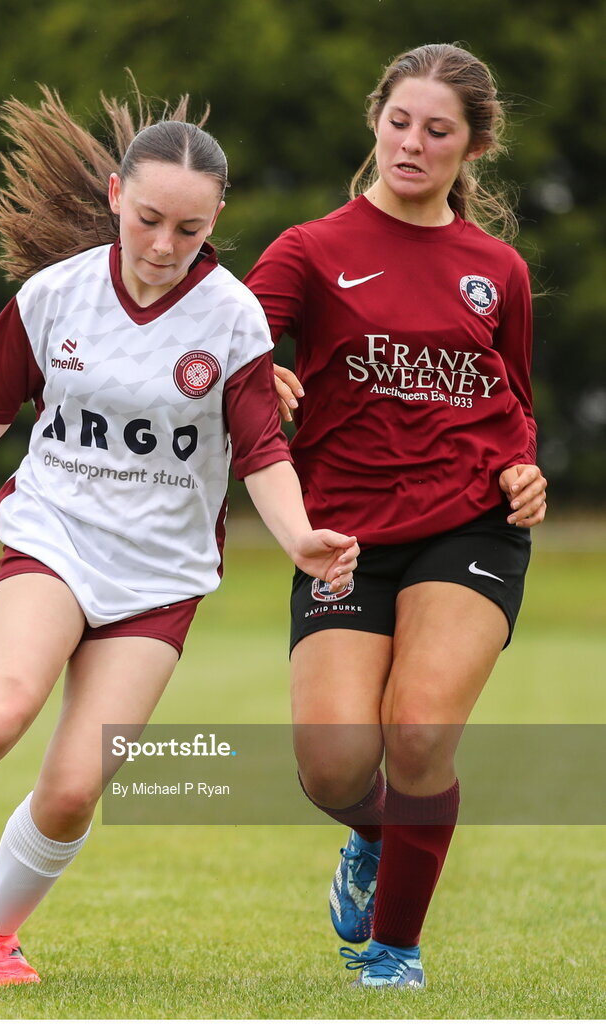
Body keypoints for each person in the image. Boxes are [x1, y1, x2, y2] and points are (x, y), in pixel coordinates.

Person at [0, 85, 359, 987]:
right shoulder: (56, 295)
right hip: (55, 536)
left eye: (188, 231)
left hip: (161, 576)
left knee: (77, 787)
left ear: (216, 222)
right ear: (117, 195)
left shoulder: (233, 318)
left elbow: (260, 448)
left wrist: (300, 535)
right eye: (149, 218)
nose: (163, 247)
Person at [244, 43, 547, 989]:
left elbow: (515, 400)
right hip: (342, 536)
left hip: (471, 527)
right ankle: (378, 836)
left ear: (474, 147)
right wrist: (260, 373)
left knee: (418, 731)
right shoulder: (309, 249)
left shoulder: (498, 268)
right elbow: (221, 358)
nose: (413, 144)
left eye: (438, 131)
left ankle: (394, 951)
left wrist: (527, 468)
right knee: (333, 767)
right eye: (400, 123)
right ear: (377, 122)